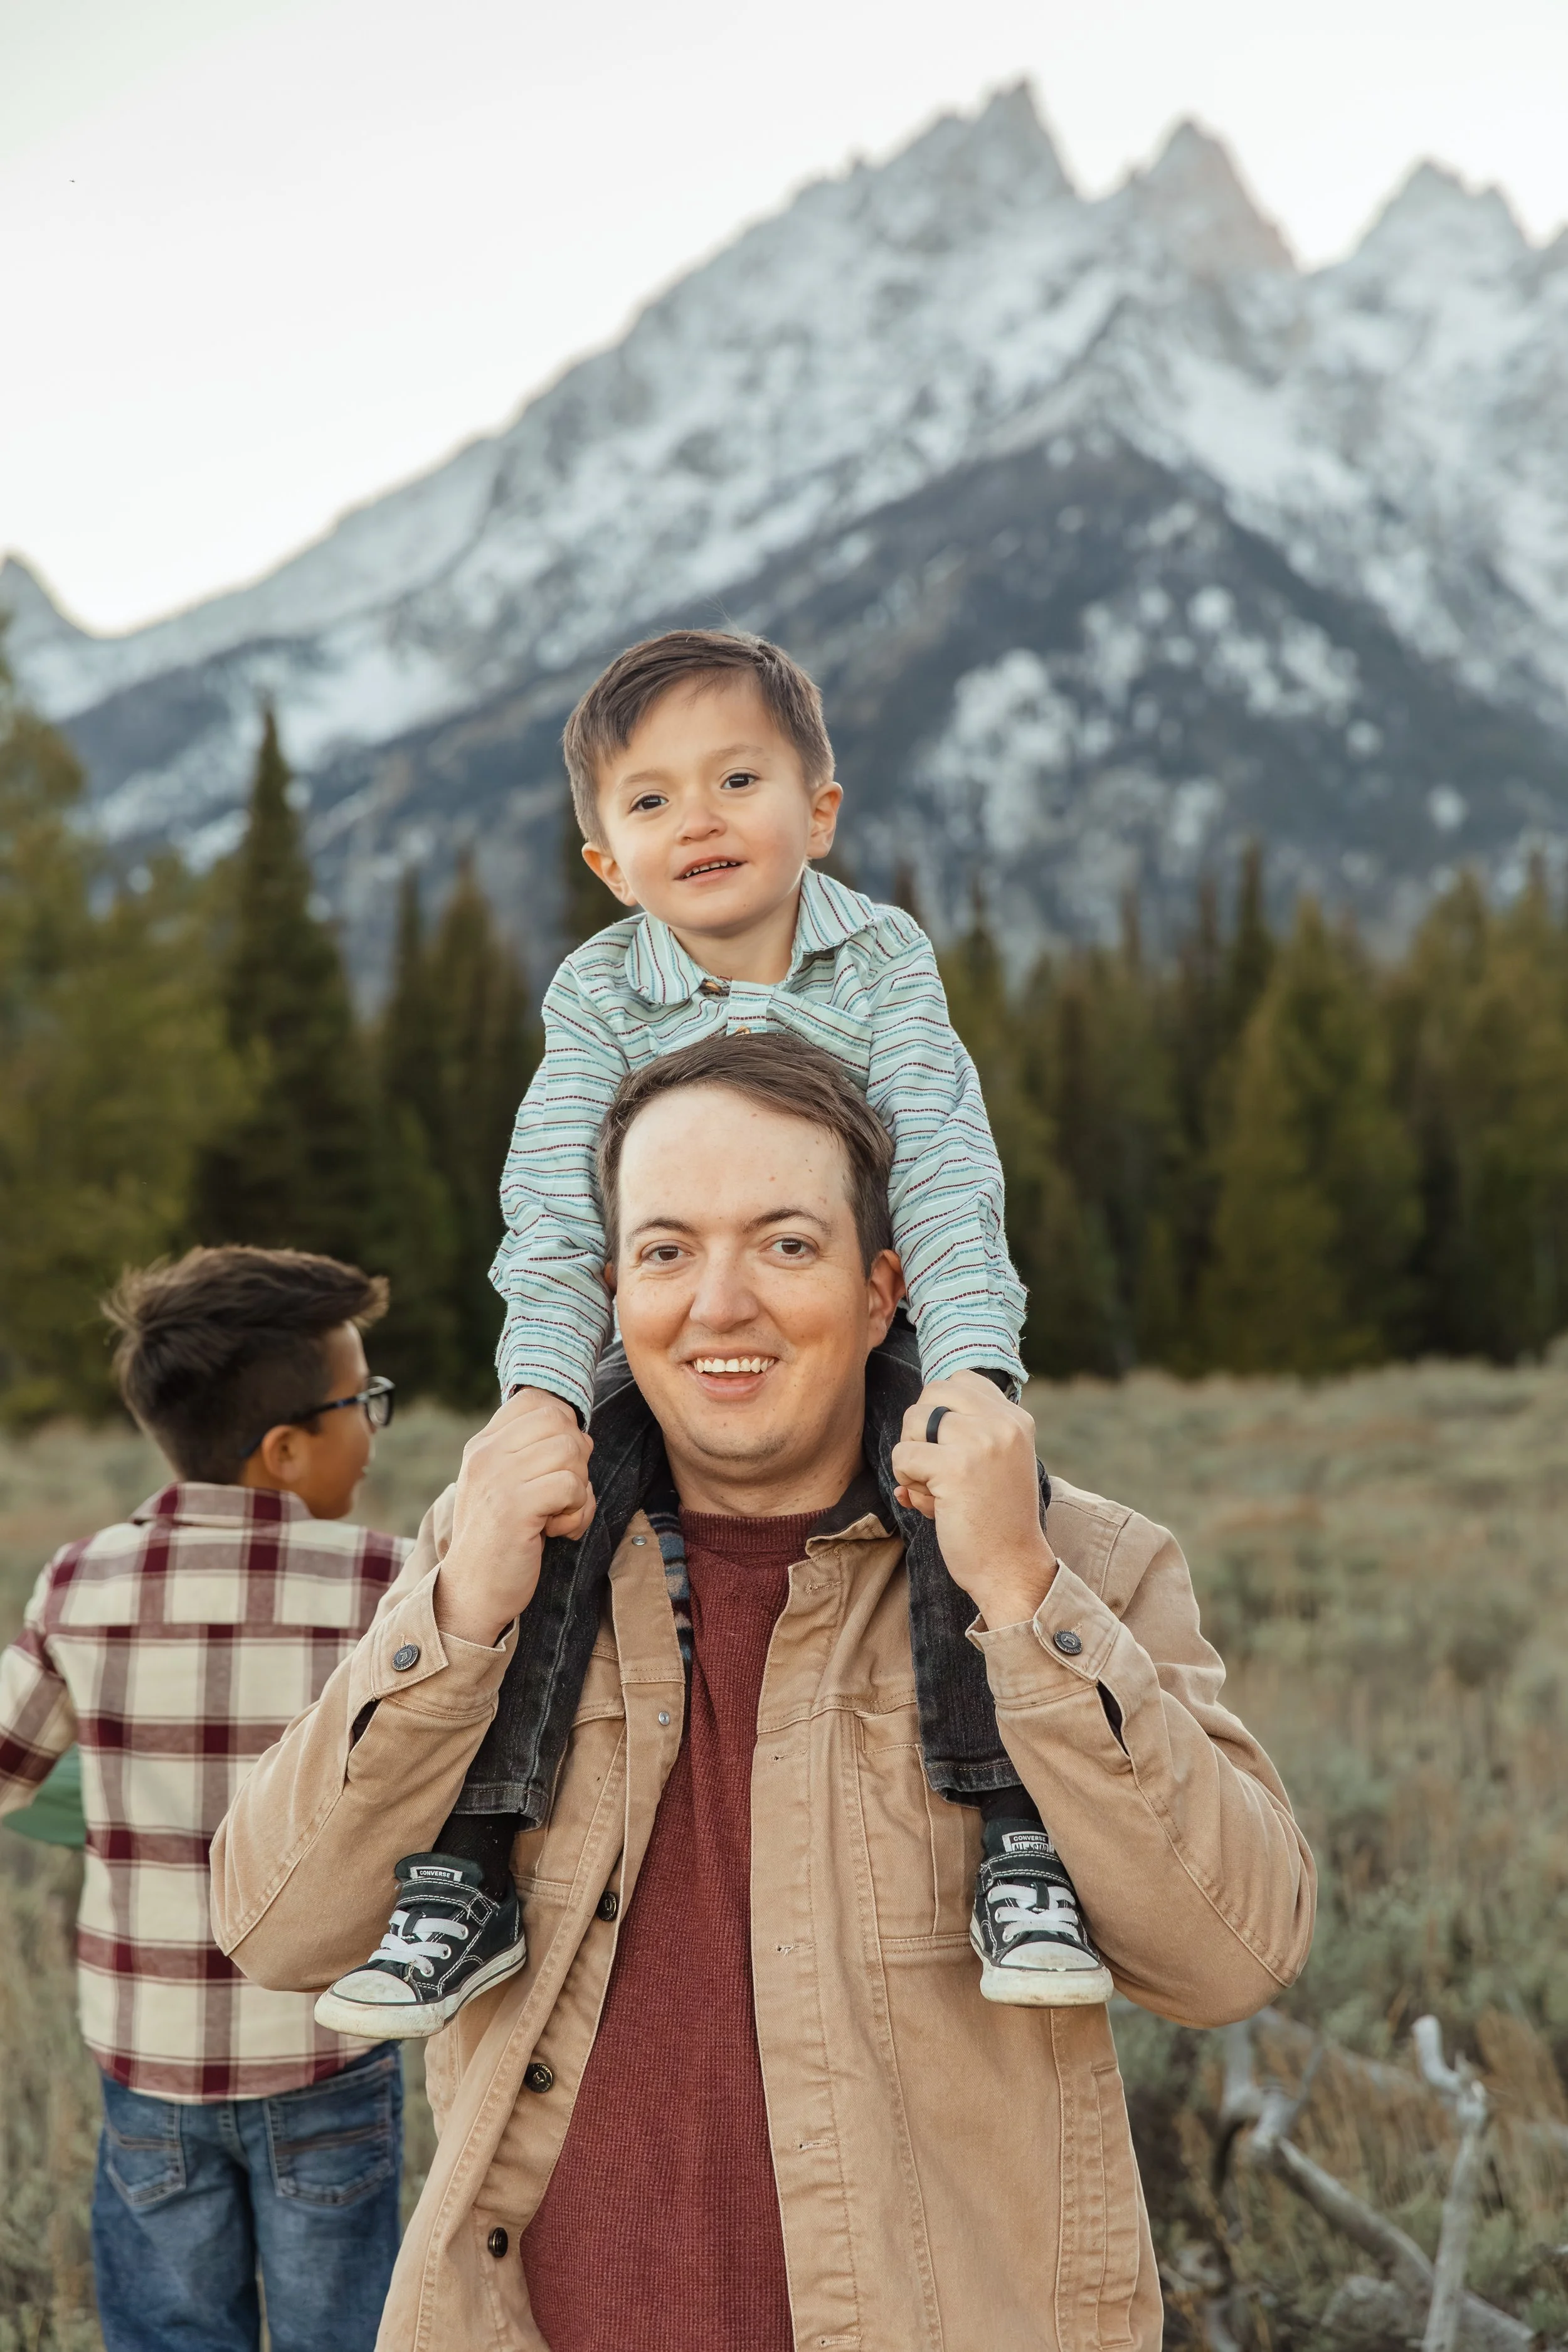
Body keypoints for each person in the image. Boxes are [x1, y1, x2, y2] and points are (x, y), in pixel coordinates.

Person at [213, 1036, 1315, 2352]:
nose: (717, 1305)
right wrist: (456, 1615)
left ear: (877, 1288)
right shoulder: (507, 1559)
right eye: (666, 1251)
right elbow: (276, 1929)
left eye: (785, 1245)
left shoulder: (1078, 1564)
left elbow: (1231, 1956)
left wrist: (1019, 1596)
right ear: (613, 1288)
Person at [319, 625, 1110, 2038]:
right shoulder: (599, 994)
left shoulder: (877, 961)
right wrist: (541, 1396)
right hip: (668, 1343)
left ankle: (1017, 1837)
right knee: (552, 1522)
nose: (697, 819)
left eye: (736, 779)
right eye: (649, 800)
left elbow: (936, 1165)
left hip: (851, 1326)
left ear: (816, 812)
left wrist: (974, 1373)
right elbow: (559, 1211)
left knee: (967, 1502)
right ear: (605, 864)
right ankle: (472, 1865)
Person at [0, 1247, 409, 2352]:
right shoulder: (393, 1585)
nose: (378, 1426)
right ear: (286, 1448)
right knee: (344, 2331)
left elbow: (9, 1765)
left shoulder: (84, 1582)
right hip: (326, 2051)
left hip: (150, 2060)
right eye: (364, 1400)